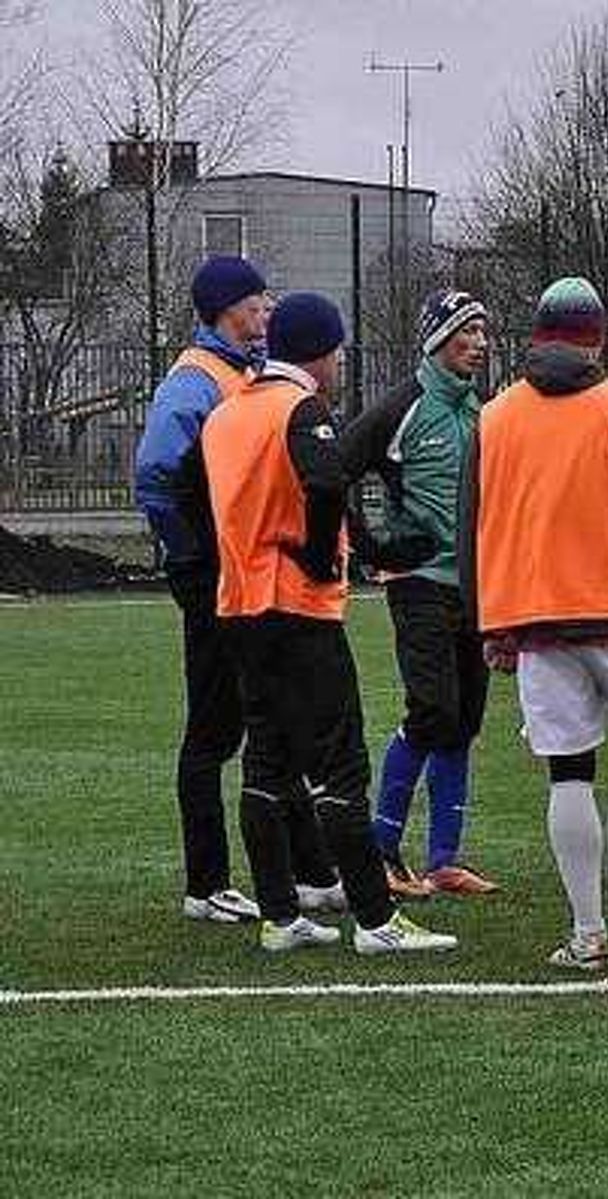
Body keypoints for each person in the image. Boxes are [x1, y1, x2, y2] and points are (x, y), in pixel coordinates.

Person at [200, 291, 457, 954]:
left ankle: (279, 916)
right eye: (338, 349)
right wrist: (319, 558)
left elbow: (194, 492)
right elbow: (326, 481)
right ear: (320, 351)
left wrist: (375, 551)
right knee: (341, 766)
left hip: (239, 607)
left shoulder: (229, 412)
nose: (341, 361)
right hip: (297, 610)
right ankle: (376, 920)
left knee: (266, 759)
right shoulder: (300, 405)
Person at [461, 277, 608, 971]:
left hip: (536, 615)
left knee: (569, 772)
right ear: (598, 335)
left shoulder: (496, 415)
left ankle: (587, 929)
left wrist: (488, 624)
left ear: (536, 334)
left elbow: (472, 523)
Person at [133, 255, 341, 924]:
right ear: (227, 311)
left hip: (245, 577)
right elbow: (156, 474)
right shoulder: (195, 381)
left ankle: (310, 872)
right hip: (217, 578)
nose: (266, 314)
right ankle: (208, 882)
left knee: (275, 720)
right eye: (255, 304)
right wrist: (198, 558)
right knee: (216, 727)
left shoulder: (241, 373)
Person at [341, 288, 499, 899]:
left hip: (475, 588)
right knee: (431, 713)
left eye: (485, 334)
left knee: (461, 723)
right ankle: (381, 853)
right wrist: (379, 546)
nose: (480, 345)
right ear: (438, 339)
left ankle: (442, 860)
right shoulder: (400, 407)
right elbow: (337, 471)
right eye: (468, 332)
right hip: (419, 587)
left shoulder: (480, 412)